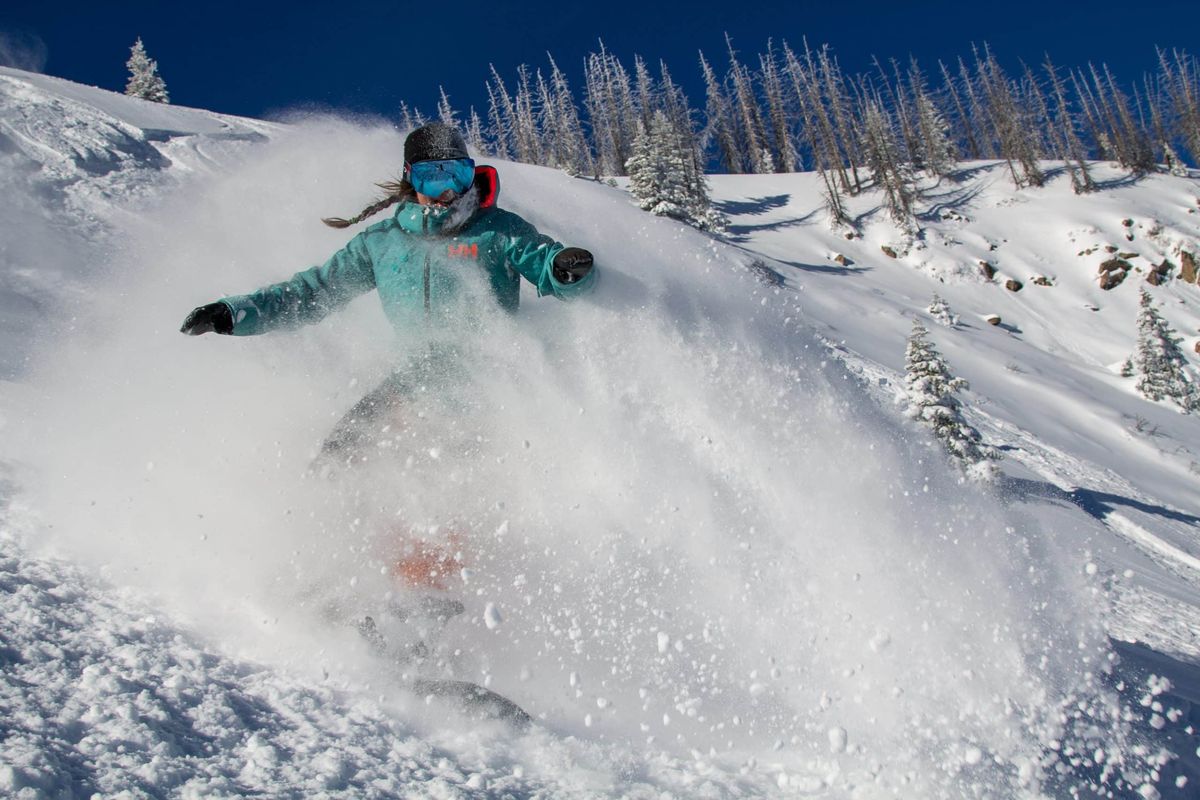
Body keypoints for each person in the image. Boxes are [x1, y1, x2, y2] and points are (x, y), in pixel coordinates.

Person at [180, 122, 596, 596]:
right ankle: (329, 580)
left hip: (483, 389)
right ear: (409, 179)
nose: (445, 191)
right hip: (411, 384)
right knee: (338, 465)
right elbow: (313, 292)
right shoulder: (382, 242)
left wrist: (566, 270)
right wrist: (236, 313)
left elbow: (545, 263)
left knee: (444, 497)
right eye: (430, 178)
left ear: (470, 174)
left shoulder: (498, 231)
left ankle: (427, 610)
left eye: (455, 175)